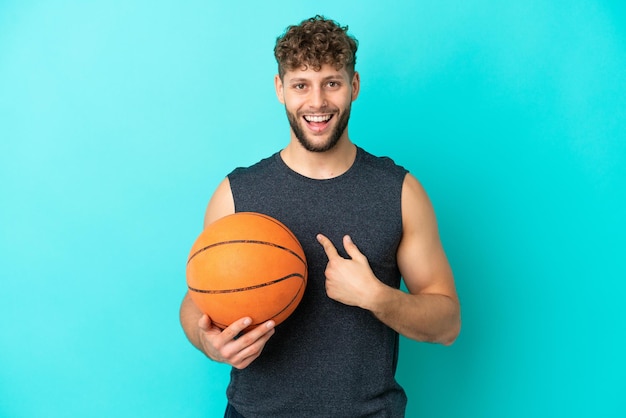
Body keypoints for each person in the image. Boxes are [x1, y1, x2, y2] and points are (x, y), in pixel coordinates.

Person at [179, 15, 461, 418]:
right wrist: (208, 342)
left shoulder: (399, 192)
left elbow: (447, 323)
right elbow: (194, 302)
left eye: (332, 82)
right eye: (300, 85)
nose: (317, 102)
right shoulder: (236, 194)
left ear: (354, 86)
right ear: (280, 89)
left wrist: (378, 298)